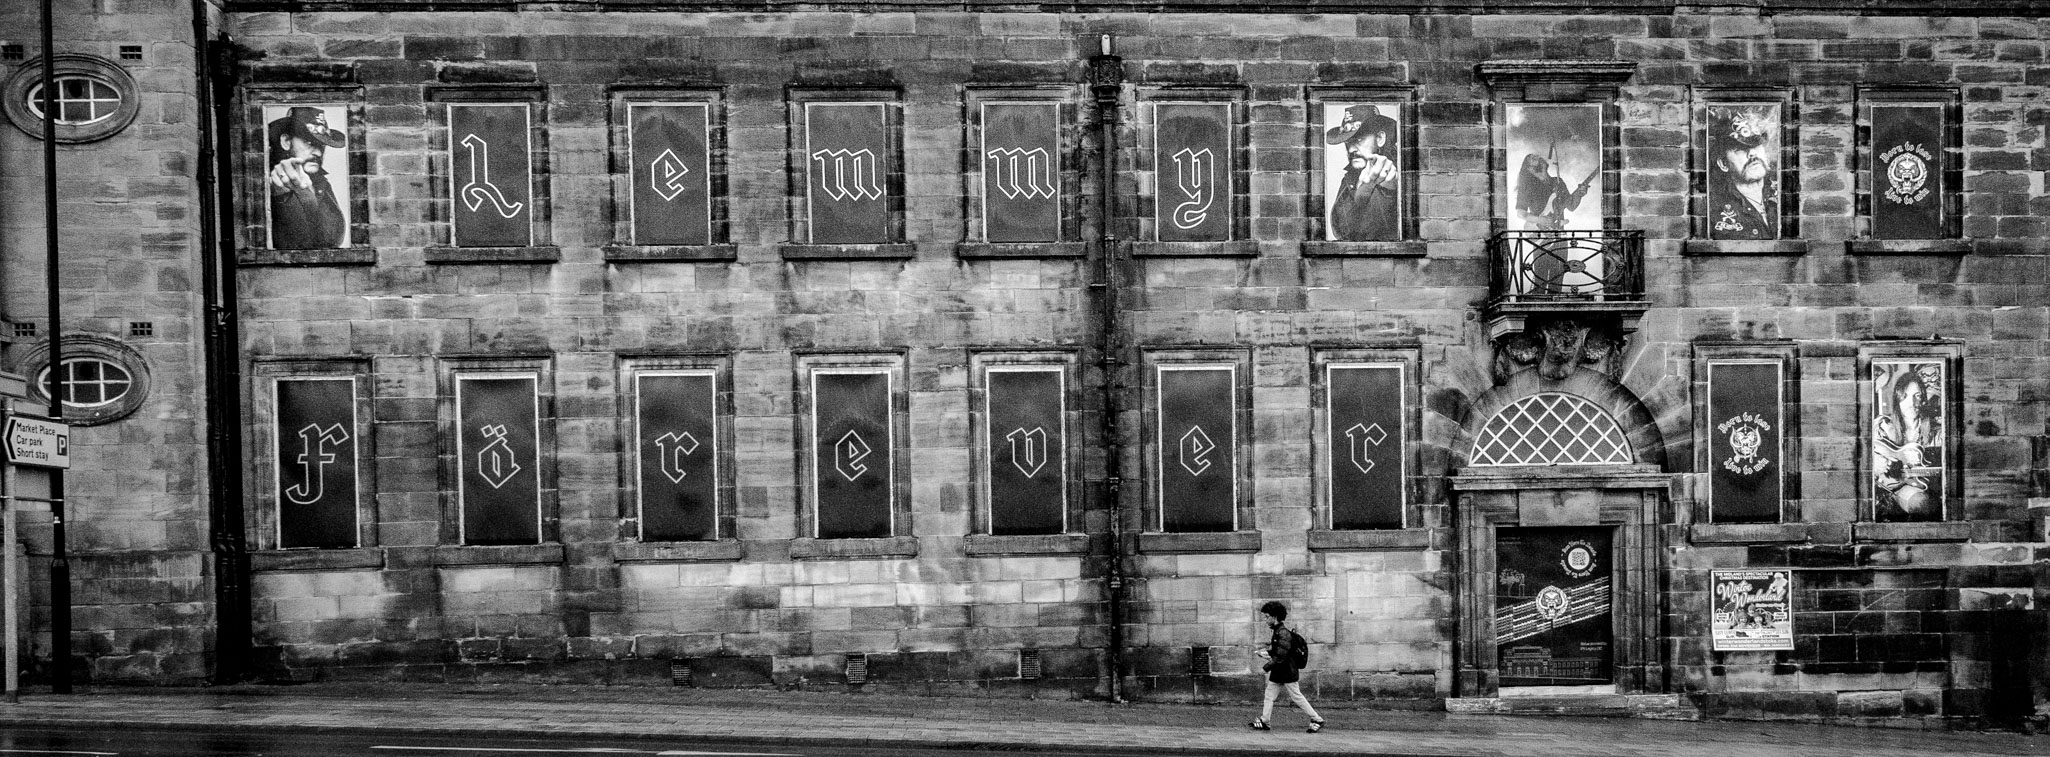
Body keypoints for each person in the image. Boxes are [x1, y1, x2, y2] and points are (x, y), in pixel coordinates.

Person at [267, 106, 348, 249]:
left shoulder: (321, 183)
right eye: (309, 143)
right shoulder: (271, 181)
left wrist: (307, 194)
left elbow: (334, 238)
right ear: (286, 141)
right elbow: (296, 243)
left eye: (321, 145)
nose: (318, 152)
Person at [1249, 600, 1326, 734]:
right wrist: (1265, 653)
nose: (1265, 620)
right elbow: (1278, 652)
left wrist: (1264, 668)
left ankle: (1317, 719)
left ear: (1275, 617)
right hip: (1280, 672)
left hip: (1287, 672)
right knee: (1269, 695)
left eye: (1267, 617)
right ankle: (1265, 720)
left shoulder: (1283, 633)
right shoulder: (1278, 631)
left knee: (1296, 696)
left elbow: (1280, 657)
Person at [1324, 104, 1399, 241]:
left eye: (1359, 139)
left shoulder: (1395, 176)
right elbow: (1341, 228)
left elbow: (1373, 234)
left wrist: (1385, 191)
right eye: (1348, 142)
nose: (1351, 149)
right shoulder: (1350, 177)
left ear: (1380, 139)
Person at [1706, 106, 1777, 240]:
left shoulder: (1783, 194)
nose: (1752, 154)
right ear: (1723, 163)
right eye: (1740, 149)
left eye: (1756, 145)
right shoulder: (1712, 206)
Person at [1513, 149, 1594, 232]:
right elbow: (1520, 213)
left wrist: (1580, 194)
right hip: (1540, 233)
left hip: (1559, 233)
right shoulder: (1527, 187)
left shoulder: (1558, 182)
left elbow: (1571, 205)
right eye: (1533, 159)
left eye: (1537, 156)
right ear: (1530, 169)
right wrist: (1539, 220)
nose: (1538, 157)